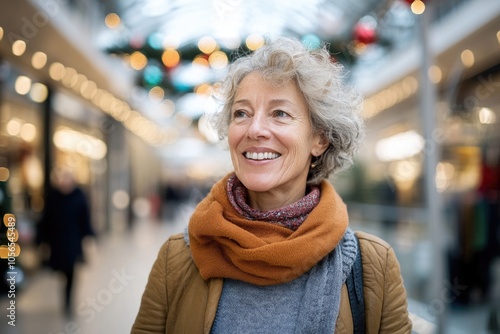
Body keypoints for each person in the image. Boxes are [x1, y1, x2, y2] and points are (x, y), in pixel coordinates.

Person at [131, 37, 412, 333]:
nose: (255, 129)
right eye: (242, 113)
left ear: (320, 139)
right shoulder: (177, 258)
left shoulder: (372, 266)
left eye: (280, 113)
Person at [36, 167, 94, 315]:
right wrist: (41, 239)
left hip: (73, 240)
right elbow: (46, 219)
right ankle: (65, 293)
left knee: (71, 271)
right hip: (57, 240)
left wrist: (89, 236)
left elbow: (85, 219)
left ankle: (68, 300)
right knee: (61, 270)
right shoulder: (53, 196)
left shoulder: (79, 196)